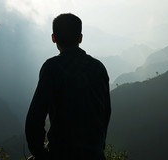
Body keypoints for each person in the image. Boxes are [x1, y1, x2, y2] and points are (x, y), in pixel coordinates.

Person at [25, 13, 111, 160]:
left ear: (53, 38)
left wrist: (40, 154)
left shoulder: (52, 68)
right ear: (81, 38)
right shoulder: (98, 68)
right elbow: (106, 113)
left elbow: (35, 118)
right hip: (95, 154)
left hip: (61, 153)